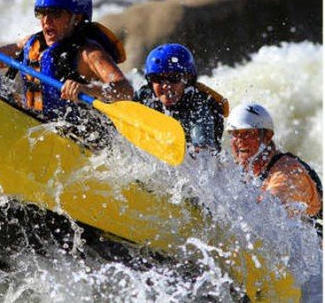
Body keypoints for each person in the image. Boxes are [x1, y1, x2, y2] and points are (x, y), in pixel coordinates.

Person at [0, 0, 133, 145]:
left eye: (55, 14)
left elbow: (125, 90)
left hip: (73, 139)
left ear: (76, 19)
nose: (46, 21)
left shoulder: (89, 53)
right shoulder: (31, 43)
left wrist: (87, 89)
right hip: (33, 124)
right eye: (41, 14)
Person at [226, 102, 322, 233]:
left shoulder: (289, 173)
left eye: (249, 133)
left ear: (267, 136)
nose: (240, 140)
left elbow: (267, 213)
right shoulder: (247, 169)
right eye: (235, 134)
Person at [134, 43, 227, 153]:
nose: (166, 86)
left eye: (174, 78)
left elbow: (203, 154)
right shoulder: (146, 96)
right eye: (157, 78)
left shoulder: (198, 106)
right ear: (150, 81)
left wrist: (198, 149)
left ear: (187, 79)